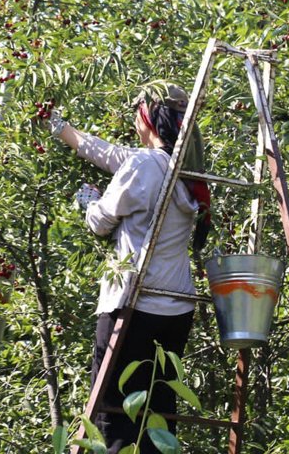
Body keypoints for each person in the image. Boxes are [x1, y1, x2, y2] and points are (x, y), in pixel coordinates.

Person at [49, 82, 211, 454]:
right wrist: (61, 129)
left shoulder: (143, 165)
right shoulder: (184, 167)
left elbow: (101, 223)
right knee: (158, 412)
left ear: (147, 115)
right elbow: (112, 155)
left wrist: (88, 201)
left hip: (133, 304)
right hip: (176, 307)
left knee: (114, 413)